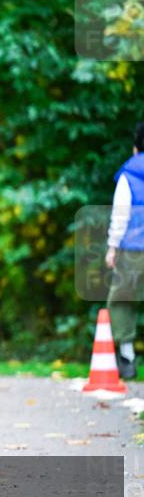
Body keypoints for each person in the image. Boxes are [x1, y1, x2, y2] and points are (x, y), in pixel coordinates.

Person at [105, 121, 144, 379]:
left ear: (135, 148)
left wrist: (112, 246)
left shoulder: (129, 174)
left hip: (134, 248)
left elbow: (121, 213)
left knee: (122, 300)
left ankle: (127, 357)